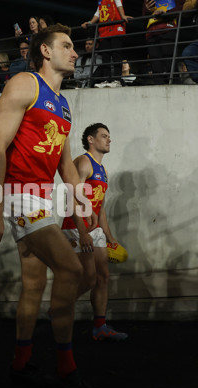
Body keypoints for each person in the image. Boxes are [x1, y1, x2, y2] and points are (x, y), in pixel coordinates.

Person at [0, 23, 104, 388]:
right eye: (67, 46)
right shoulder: (24, 84)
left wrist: (83, 218)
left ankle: (21, 363)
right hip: (20, 196)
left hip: (41, 198)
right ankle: (68, 371)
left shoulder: (63, 104)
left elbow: (66, 170)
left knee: (34, 284)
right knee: (70, 269)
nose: (75, 52)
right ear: (45, 52)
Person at [60, 123, 128, 342]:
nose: (109, 140)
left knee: (103, 277)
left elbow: (100, 206)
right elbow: (70, 197)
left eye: (109, 136)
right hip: (76, 228)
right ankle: (58, 307)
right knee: (88, 278)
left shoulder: (103, 169)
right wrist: (82, 231)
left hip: (95, 229)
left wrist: (109, 236)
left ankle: (100, 327)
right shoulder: (83, 162)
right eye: (104, 136)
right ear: (91, 139)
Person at [81, 0, 133, 82]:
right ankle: (106, 80)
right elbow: (98, 12)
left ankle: (117, 80)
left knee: (116, 55)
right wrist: (90, 22)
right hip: (104, 31)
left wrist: (122, 16)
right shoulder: (100, 1)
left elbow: (118, 3)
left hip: (115, 28)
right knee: (105, 56)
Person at [143, 0, 184, 84]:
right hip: (151, 32)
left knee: (169, 59)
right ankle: (158, 84)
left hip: (168, 28)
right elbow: (144, 15)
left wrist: (166, 12)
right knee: (155, 61)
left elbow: (180, 7)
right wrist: (147, 10)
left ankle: (176, 84)